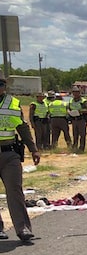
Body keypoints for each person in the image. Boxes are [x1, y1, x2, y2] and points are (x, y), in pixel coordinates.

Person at [0, 76, 40, 243]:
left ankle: (23, 228)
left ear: (4, 86)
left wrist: (33, 149)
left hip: (9, 154)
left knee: (15, 190)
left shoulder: (13, 103)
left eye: (1, 84)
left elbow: (22, 128)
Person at [67, 86, 87, 152]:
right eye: (74, 92)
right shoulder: (71, 100)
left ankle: (81, 148)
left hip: (82, 119)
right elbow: (68, 107)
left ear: (79, 93)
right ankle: (74, 147)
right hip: (74, 119)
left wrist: (80, 111)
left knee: (82, 134)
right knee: (75, 134)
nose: (75, 94)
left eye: (77, 92)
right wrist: (69, 112)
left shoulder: (83, 101)